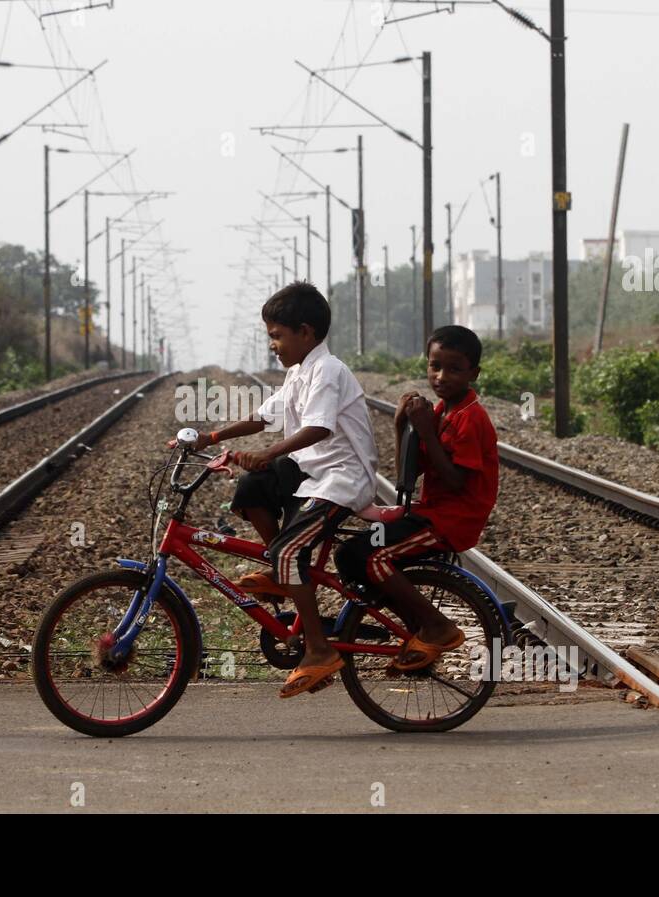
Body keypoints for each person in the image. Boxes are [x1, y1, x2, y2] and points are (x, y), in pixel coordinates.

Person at [186, 281, 377, 697]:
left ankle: (320, 650)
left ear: (305, 333)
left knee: (292, 548)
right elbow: (262, 417)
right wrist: (211, 438)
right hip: (313, 472)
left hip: (341, 480)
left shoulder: (328, 371)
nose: (272, 345)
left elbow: (319, 426)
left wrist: (269, 452)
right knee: (252, 487)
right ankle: (282, 571)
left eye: (277, 335)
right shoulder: (298, 373)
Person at [335, 324, 499, 674]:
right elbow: (409, 476)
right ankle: (418, 632)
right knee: (348, 554)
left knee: (373, 557)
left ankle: (437, 627)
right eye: (434, 366)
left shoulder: (471, 417)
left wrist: (425, 431)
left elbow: (456, 482)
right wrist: (400, 427)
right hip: (430, 511)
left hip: (451, 520)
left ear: (474, 373)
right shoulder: (440, 411)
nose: (441, 376)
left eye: (454, 369)